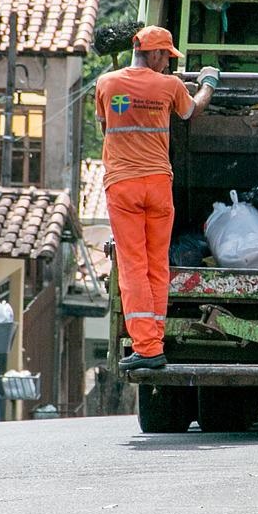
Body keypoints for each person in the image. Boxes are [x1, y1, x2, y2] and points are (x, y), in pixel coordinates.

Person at [95, 25, 219, 372]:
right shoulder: (170, 87)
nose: (167, 63)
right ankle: (154, 340)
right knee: (156, 265)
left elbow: (106, 128)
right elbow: (192, 112)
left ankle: (147, 346)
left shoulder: (107, 84)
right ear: (151, 53)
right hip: (158, 187)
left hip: (123, 187)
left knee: (133, 267)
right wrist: (209, 82)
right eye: (165, 55)